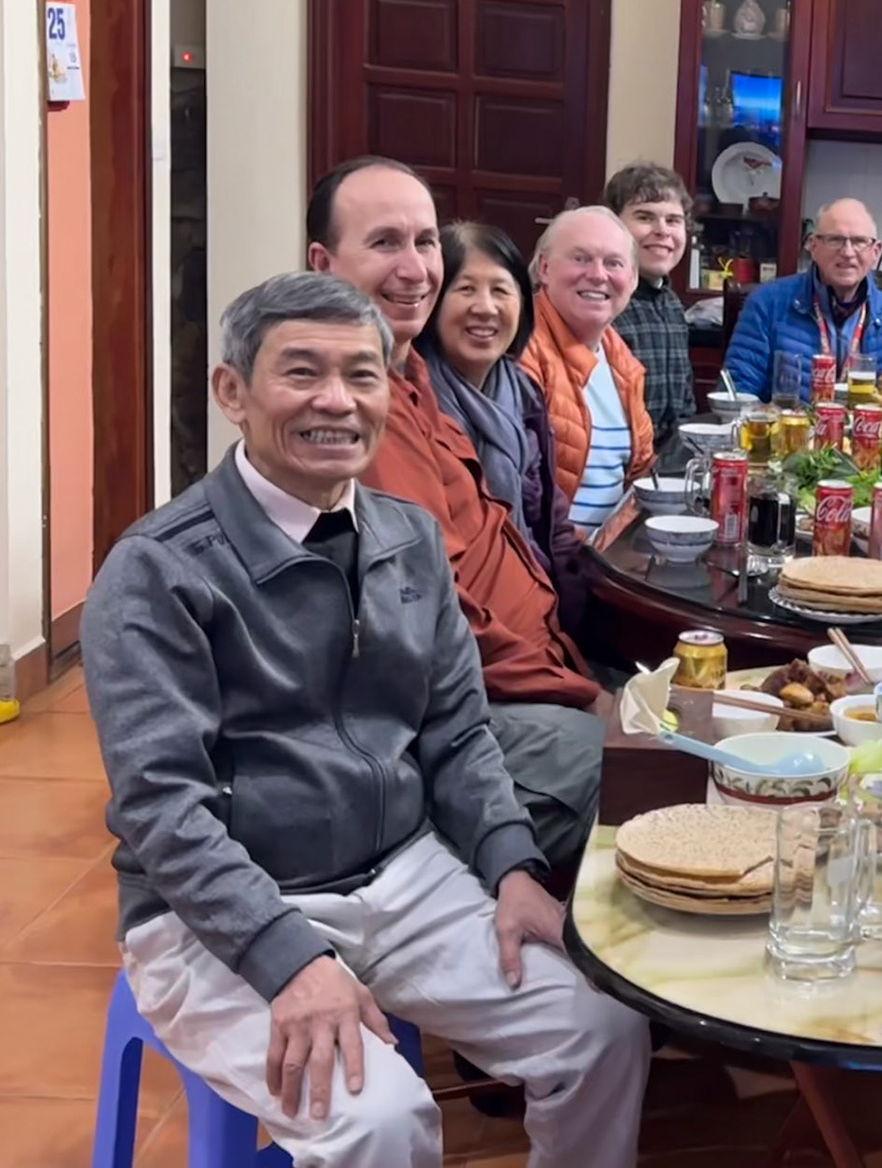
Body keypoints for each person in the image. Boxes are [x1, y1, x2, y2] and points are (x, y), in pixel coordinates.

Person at [83, 273, 648, 1167]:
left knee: (602, 1031)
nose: (337, 402)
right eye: (301, 373)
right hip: (220, 911)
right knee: (380, 1119)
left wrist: (511, 865)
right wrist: (286, 957)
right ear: (233, 392)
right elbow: (162, 810)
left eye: (362, 375)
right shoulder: (158, 571)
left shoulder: (406, 537)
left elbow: (458, 729)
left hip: (403, 874)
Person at [308, 156, 604, 873]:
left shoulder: (413, 376)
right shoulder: (355, 410)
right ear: (324, 264)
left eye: (423, 242)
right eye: (384, 243)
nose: (415, 269)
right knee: (656, 771)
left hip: (534, 664)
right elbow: (433, 621)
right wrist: (584, 695)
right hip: (473, 706)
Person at [417, 221, 592, 642]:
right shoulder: (416, 400)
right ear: (433, 303)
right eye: (465, 289)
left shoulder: (523, 392)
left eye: (501, 290)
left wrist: (579, 620)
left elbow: (551, 522)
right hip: (465, 629)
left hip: (538, 606)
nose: (485, 308)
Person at [520, 205, 656, 532]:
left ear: (633, 279)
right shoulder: (520, 349)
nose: (597, 274)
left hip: (609, 552)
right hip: (554, 557)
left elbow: (640, 477)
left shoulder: (622, 360)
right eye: (580, 258)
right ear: (544, 268)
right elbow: (523, 503)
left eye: (614, 263)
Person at [722, 197, 882, 399]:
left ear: (875, 252)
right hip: (787, 420)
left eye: (859, 241)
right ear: (814, 247)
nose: (847, 252)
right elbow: (737, 395)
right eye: (835, 240)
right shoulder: (766, 304)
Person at [607, 161, 698, 469]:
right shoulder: (604, 305)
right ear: (614, 225)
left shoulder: (672, 305)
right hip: (620, 467)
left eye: (673, 220)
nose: (662, 230)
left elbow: (684, 403)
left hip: (668, 466)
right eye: (645, 217)